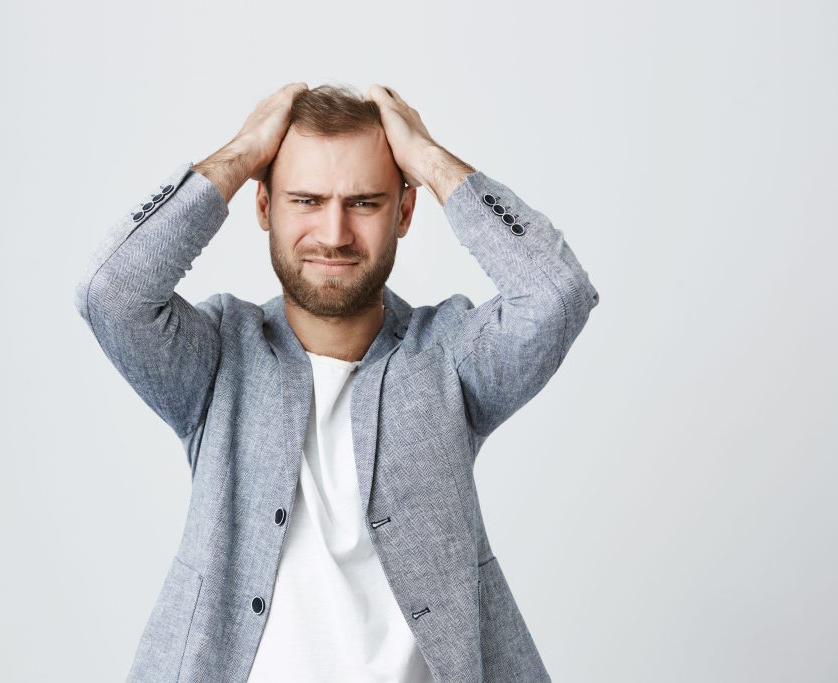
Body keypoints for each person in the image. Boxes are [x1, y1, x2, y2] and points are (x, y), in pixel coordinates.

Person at [75, 82, 599, 683]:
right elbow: (109, 291)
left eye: (365, 203)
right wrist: (242, 154)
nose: (334, 234)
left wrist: (428, 159)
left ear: (405, 212)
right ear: (264, 207)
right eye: (305, 200)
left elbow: (558, 295)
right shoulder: (215, 359)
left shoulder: (450, 357)